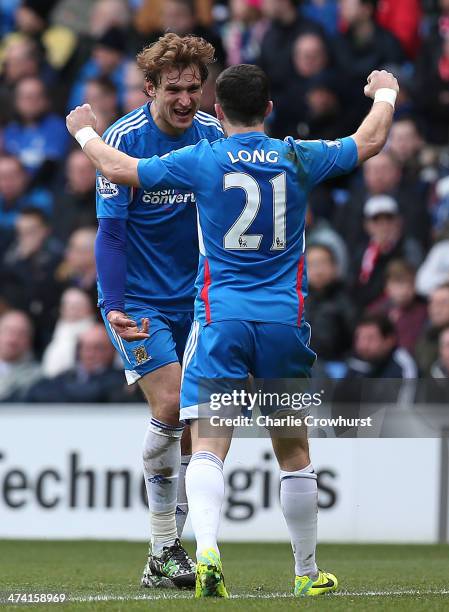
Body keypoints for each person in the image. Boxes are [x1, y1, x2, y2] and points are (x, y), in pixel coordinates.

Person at [66, 63, 398, 597]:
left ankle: (208, 552)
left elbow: (117, 166)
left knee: (207, 447)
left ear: (216, 111)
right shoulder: (297, 154)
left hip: (220, 319)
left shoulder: (203, 157)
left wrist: (83, 129)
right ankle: (308, 574)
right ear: (269, 109)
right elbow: (371, 139)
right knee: (294, 454)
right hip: (284, 322)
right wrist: (385, 92)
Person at [77, 33, 224, 590]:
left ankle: (167, 552)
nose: (186, 99)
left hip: (200, 298)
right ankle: (164, 547)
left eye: (194, 87)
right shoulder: (123, 140)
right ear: (149, 89)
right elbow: (110, 235)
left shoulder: (214, 136)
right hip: (139, 301)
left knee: (193, 426)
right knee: (170, 400)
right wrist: (113, 305)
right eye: (174, 90)